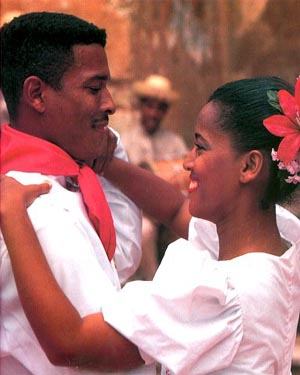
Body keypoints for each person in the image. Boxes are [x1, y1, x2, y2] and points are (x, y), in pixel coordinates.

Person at [1, 76, 300, 374]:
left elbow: (72, 343)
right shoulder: (281, 241)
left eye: (201, 147)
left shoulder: (220, 295)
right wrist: (109, 164)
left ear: (249, 166)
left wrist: (13, 212)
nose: (187, 162)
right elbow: (175, 209)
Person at [0, 11, 155, 375]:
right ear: (37, 94)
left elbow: (117, 259)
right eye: (94, 87)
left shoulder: (59, 183)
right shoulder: (40, 209)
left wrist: (110, 155)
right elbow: (101, 357)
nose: (110, 103)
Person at [121, 74, 189, 280]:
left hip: (171, 209)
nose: (153, 113)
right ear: (141, 106)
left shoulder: (174, 142)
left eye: (160, 108)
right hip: (140, 211)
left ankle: (182, 284)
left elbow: (185, 176)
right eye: (149, 106)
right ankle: (154, 283)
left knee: (190, 227)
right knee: (145, 231)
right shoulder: (126, 140)